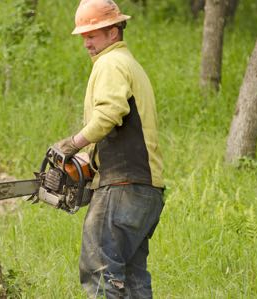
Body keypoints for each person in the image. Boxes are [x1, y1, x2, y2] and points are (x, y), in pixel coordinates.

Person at [52, 0, 165, 298]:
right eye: (84, 36)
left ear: (113, 32)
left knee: (100, 271)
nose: (86, 43)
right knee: (132, 278)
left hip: (122, 188)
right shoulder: (130, 64)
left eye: (93, 35)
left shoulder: (110, 64)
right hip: (146, 189)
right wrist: (89, 161)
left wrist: (72, 144)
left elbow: (109, 113)